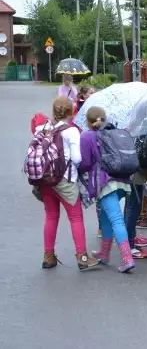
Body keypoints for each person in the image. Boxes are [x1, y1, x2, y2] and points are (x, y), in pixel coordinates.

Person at [39, 97, 100, 271]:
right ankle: (82, 257)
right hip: (65, 180)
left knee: (51, 216)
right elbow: (77, 159)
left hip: (45, 180)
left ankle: (48, 256)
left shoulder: (46, 128)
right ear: (71, 112)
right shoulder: (71, 131)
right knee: (75, 217)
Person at [80, 106, 135, 273]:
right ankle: (104, 253)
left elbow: (85, 163)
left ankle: (127, 258)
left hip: (104, 182)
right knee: (105, 215)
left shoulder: (87, 136)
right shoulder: (114, 131)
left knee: (116, 219)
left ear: (87, 122)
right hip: (122, 179)